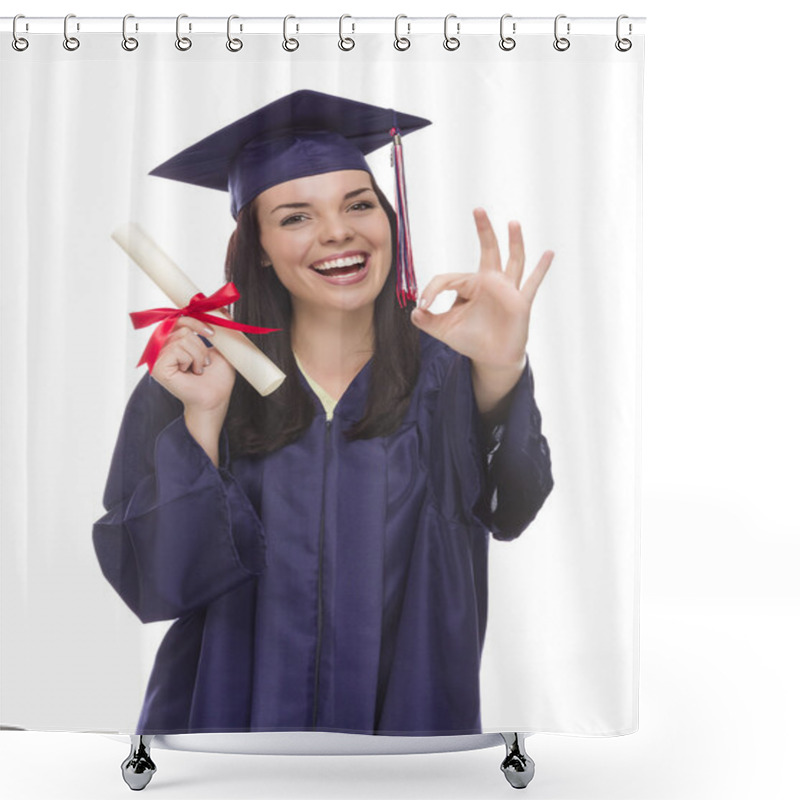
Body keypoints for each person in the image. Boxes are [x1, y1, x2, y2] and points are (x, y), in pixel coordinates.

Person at [93, 90, 554, 736]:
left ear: (388, 220)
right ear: (257, 247)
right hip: (227, 740)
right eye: (295, 217)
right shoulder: (199, 375)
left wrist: (499, 371)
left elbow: (514, 507)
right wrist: (202, 420)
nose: (338, 231)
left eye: (358, 204)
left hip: (404, 739)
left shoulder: (446, 371)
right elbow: (154, 583)